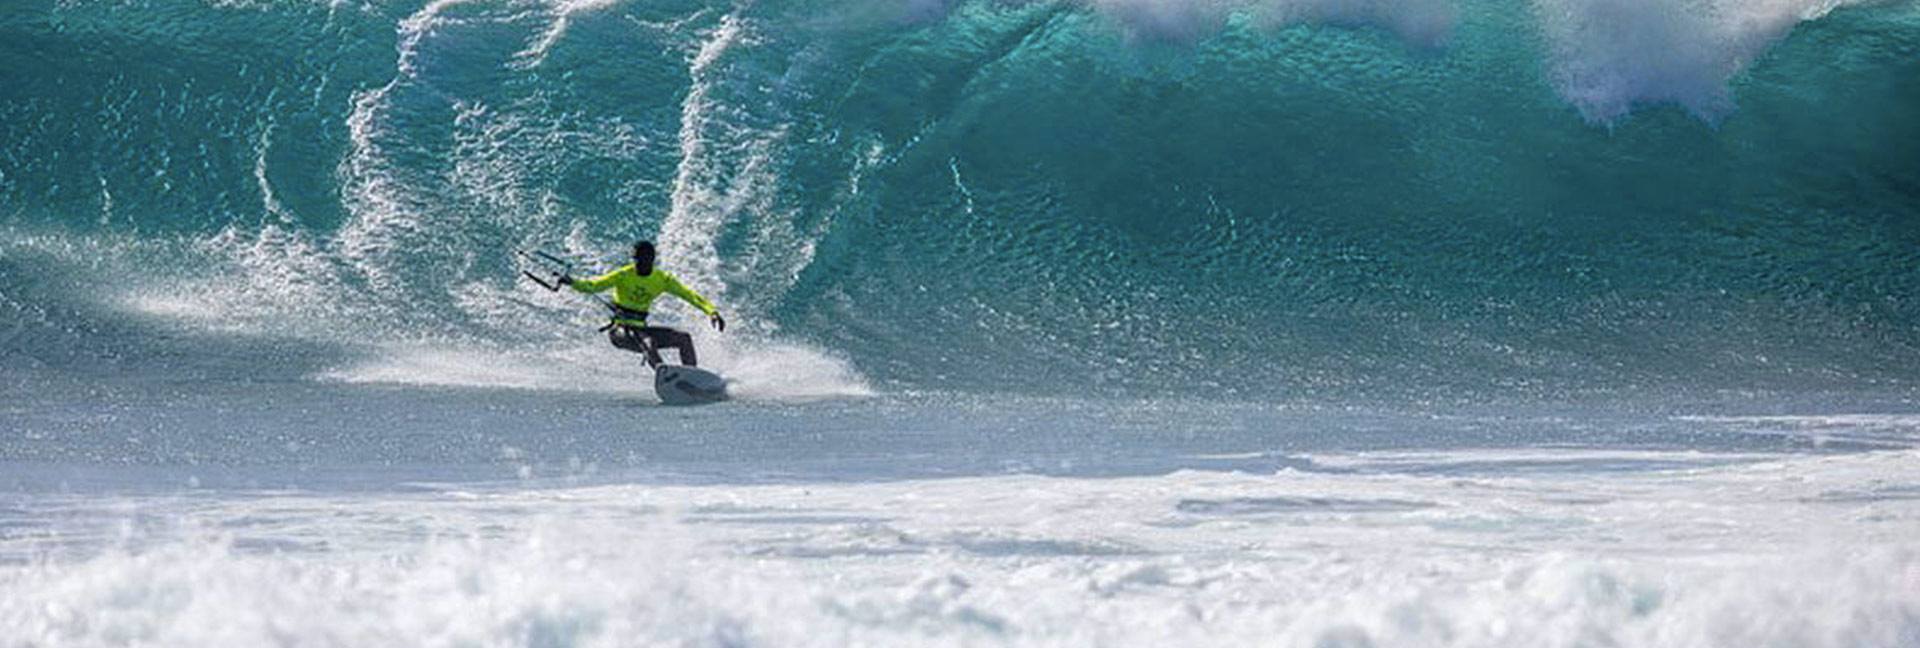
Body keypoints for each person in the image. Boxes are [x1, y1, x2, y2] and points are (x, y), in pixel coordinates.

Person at [560, 241, 725, 368]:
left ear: (650, 259)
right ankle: (664, 374)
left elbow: (690, 296)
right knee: (647, 341)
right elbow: (593, 286)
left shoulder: (662, 279)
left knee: (683, 338)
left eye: (640, 259)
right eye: (635, 259)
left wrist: (712, 311)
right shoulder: (623, 275)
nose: (636, 263)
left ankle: (692, 378)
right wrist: (572, 282)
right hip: (619, 332)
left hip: (641, 329)